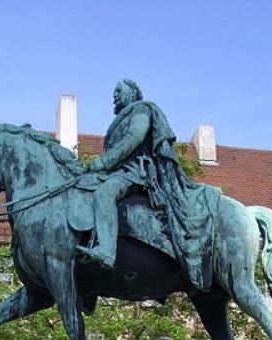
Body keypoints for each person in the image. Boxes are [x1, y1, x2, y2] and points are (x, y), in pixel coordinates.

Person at [82, 79, 216, 291]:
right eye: (114, 93)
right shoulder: (122, 118)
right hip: (118, 171)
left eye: (119, 91)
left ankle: (106, 251)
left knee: (104, 194)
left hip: (135, 172)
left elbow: (135, 137)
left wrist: (104, 162)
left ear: (133, 92)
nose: (115, 95)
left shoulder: (141, 109)